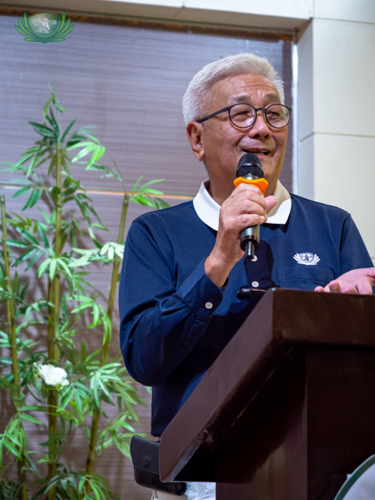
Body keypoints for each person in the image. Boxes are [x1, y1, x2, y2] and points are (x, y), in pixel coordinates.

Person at [119, 53, 375, 500]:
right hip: (203, 475)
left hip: (322, 470)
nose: (262, 129)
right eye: (241, 114)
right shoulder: (157, 233)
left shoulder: (332, 227)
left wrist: (353, 312)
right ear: (197, 138)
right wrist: (218, 260)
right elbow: (144, 359)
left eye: (274, 114)